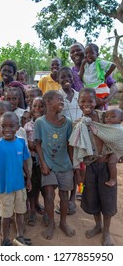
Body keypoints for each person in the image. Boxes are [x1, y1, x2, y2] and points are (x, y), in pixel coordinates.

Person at [69, 87, 118, 246]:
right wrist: (77, 169)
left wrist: (115, 155)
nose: (86, 104)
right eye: (82, 101)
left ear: (96, 101)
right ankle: (98, 225)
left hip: (106, 167)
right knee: (92, 197)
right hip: (89, 167)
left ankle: (106, 232)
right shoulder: (78, 124)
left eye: (90, 101)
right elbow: (75, 147)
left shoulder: (105, 118)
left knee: (107, 199)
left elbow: (117, 134)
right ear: (78, 103)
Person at [34, 90, 75, 240]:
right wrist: (43, 164)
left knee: (64, 195)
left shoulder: (68, 122)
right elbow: (37, 144)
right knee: (49, 195)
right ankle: (51, 223)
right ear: (48, 102)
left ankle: (63, 222)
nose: (62, 101)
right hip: (48, 165)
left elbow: (70, 145)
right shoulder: (40, 122)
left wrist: (72, 163)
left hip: (65, 165)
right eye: (59, 99)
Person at [0, 112, 32, 246]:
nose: (7, 130)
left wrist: (28, 179)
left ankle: (20, 236)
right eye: (3, 126)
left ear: (18, 127)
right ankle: (5, 240)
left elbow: (24, 162)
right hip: (5, 187)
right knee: (5, 215)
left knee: (20, 212)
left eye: (11, 126)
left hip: (19, 185)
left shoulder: (21, 142)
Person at [58, 66, 83, 214]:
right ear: (58, 79)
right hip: (64, 141)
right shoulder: (57, 97)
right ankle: (65, 199)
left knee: (80, 170)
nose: (66, 79)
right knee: (68, 169)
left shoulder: (80, 95)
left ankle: (76, 196)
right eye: (63, 77)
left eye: (69, 76)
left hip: (80, 140)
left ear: (73, 78)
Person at [69, 42, 118, 109]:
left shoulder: (98, 67)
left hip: (100, 112)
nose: (75, 53)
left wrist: (105, 101)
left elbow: (114, 87)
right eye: (72, 52)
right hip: (80, 113)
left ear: (84, 51)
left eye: (78, 50)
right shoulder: (70, 73)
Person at [24, 97, 45, 226]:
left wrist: (39, 147)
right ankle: (32, 210)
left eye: (41, 106)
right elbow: (23, 141)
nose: (37, 108)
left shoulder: (47, 123)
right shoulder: (27, 125)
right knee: (32, 185)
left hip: (44, 160)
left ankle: (37, 204)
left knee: (42, 185)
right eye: (35, 106)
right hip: (31, 160)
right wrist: (29, 144)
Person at [103, 108, 123, 186]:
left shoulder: (119, 129)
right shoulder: (107, 127)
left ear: (120, 120)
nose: (108, 118)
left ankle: (113, 179)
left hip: (117, 150)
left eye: (113, 116)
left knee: (111, 163)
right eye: (106, 116)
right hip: (111, 149)